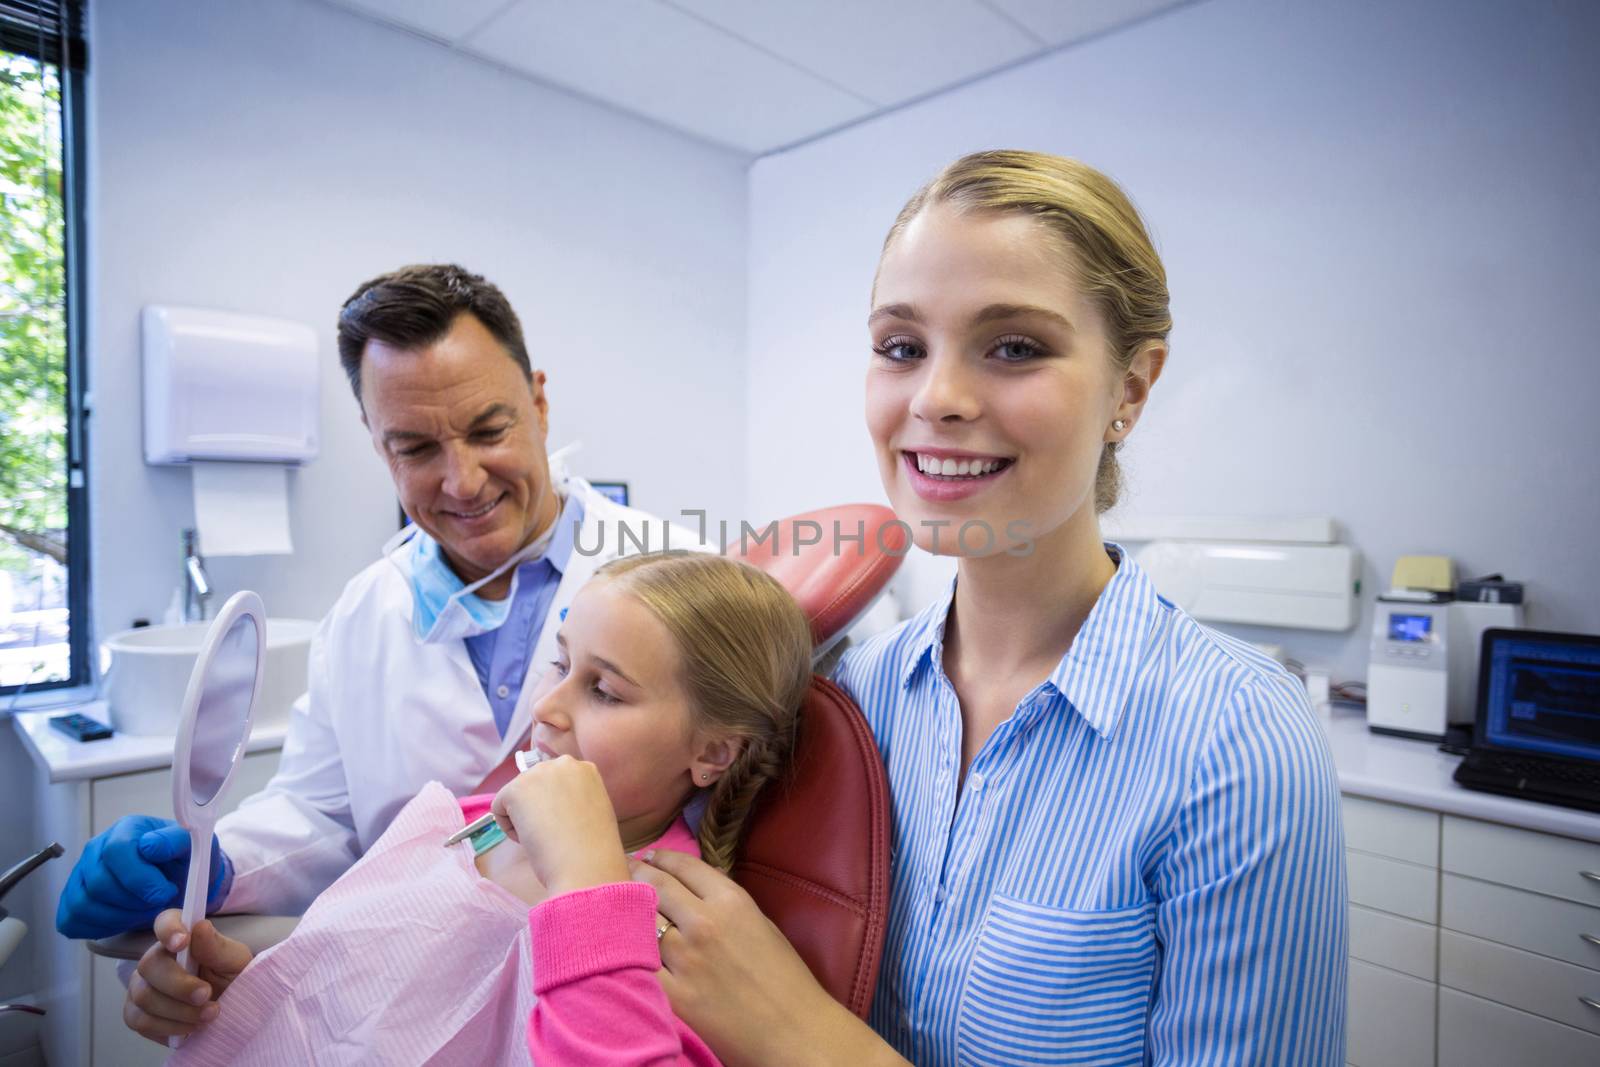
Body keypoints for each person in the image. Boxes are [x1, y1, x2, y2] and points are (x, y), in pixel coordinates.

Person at [632, 151, 1348, 1065]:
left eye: (1014, 346)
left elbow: (793, 1021)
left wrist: (798, 1033)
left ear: (1130, 388)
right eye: (901, 347)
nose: (937, 398)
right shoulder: (849, 696)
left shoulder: (1233, 742)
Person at [57, 264, 695, 942]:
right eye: (416, 447)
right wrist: (211, 863)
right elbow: (319, 814)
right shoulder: (364, 613)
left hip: (626, 969)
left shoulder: (682, 570)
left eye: (489, 431)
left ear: (538, 405)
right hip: (431, 977)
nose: (463, 480)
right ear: (375, 438)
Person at [128, 551, 812, 1063]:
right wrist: (261, 998)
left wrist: (585, 881)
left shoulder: (675, 931)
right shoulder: (467, 820)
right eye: (560, 662)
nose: (545, 707)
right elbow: (387, 1001)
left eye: (604, 690)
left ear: (714, 752)